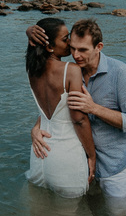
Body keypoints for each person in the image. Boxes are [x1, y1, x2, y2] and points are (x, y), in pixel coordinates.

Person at [28, 18, 126, 201]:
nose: (76, 55)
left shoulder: (120, 73)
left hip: (113, 168)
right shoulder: (73, 72)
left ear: (99, 47)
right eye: (72, 48)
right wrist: (36, 127)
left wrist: (94, 108)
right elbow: (57, 107)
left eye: (83, 50)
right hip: (80, 164)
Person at [25, 17, 97, 198]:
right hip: (66, 157)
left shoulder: (31, 69)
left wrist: (29, 30)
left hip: (39, 155)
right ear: (49, 46)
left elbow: (48, 112)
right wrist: (92, 156)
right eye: (65, 39)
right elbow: (78, 119)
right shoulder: (71, 70)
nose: (70, 43)